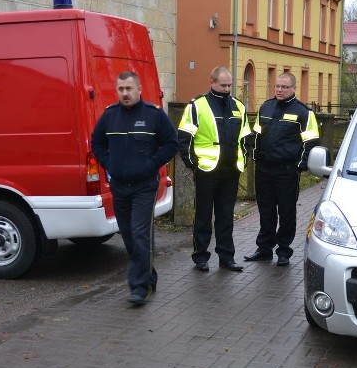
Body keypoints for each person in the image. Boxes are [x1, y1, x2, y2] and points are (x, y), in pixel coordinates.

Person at [91, 71, 178, 307]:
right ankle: (149, 276)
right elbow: (96, 143)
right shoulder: (110, 116)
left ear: (139, 89)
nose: (125, 93)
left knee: (140, 234)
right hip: (120, 187)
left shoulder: (153, 116)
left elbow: (172, 143)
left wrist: (151, 164)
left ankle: (139, 287)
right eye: (121, 89)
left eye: (129, 89)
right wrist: (109, 164)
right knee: (128, 236)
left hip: (144, 187)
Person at [177, 67, 250, 273]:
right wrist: (194, 165)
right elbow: (184, 138)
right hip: (207, 170)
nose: (227, 89)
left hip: (230, 171)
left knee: (226, 216)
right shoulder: (197, 106)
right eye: (223, 85)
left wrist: (242, 161)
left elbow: (246, 138)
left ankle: (226, 257)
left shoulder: (238, 106)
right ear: (212, 82)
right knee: (203, 216)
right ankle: (201, 257)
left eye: (229, 85)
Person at [244, 72, 319, 266]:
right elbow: (256, 134)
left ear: (293, 88)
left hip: (286, 171)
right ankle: (264, 248)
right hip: (264, 169)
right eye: (277, 86)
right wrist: (255, 156)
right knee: (266, 211)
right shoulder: (266, 107)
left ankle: (284, 251)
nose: (279, 89)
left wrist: (299, 166)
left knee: (286, 213)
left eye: (284, 87)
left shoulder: (303, 112)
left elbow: (310, 142)